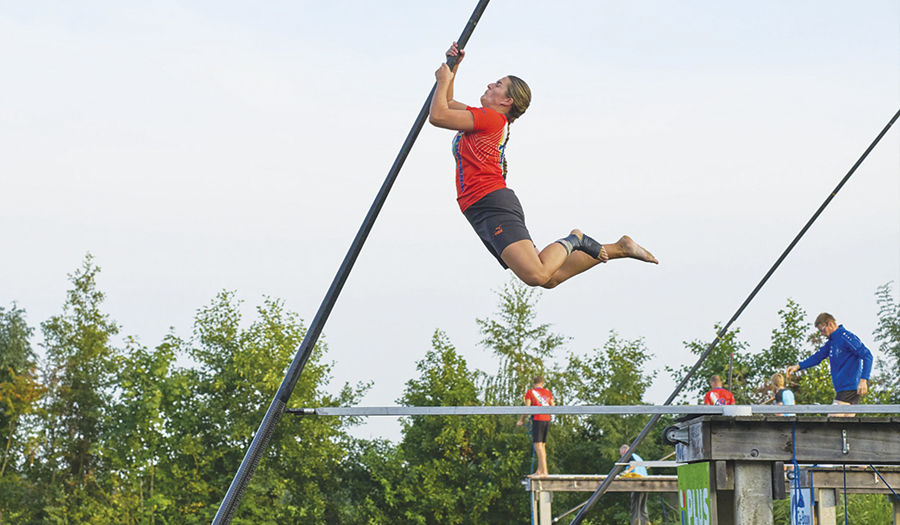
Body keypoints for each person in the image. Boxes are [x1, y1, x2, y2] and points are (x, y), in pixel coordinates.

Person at [428, 42, 658, 289]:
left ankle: (575, 238)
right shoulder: (485, 118)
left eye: (497, 84)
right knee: (550, 277)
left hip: (490, 202)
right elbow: (448, 101)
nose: (488, 85)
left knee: (536, 275)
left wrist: (443, 79)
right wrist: (454, 68)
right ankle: (620, 248)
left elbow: (438, 115)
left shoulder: (492, 118)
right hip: (477, 207)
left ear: (507, 100)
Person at [786, 313, 873, 416]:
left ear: (830, 324)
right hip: (843, 389)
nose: (822, 334)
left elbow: (867, 355)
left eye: (822, 330)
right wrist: (798, 366)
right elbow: (817, 357)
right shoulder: (832, 342)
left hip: (849, 387)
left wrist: (864, 380)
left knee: (831, 423)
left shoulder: (846, 337)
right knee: (844, 427)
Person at [517, 376, 554, 477]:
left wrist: (521, 420)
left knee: (537, 446)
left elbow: (527, 409)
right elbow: (552, 406)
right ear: (542, 383)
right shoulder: (548, 392)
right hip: (547, 420)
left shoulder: (530, 392)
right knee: (542, 446)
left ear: (533, 383)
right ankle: (539, 470)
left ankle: (544, 471)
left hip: (538, 420)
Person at [619, 444, 650, 525]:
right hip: (646, 482)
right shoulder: (637, 456)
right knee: (643, 508)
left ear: (623, 452)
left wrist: (627, 471)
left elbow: (634, 464)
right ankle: (646, 523)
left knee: (635, 508)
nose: (622, 457)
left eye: (622, 454)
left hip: (637, 483)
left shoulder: (629, 455)